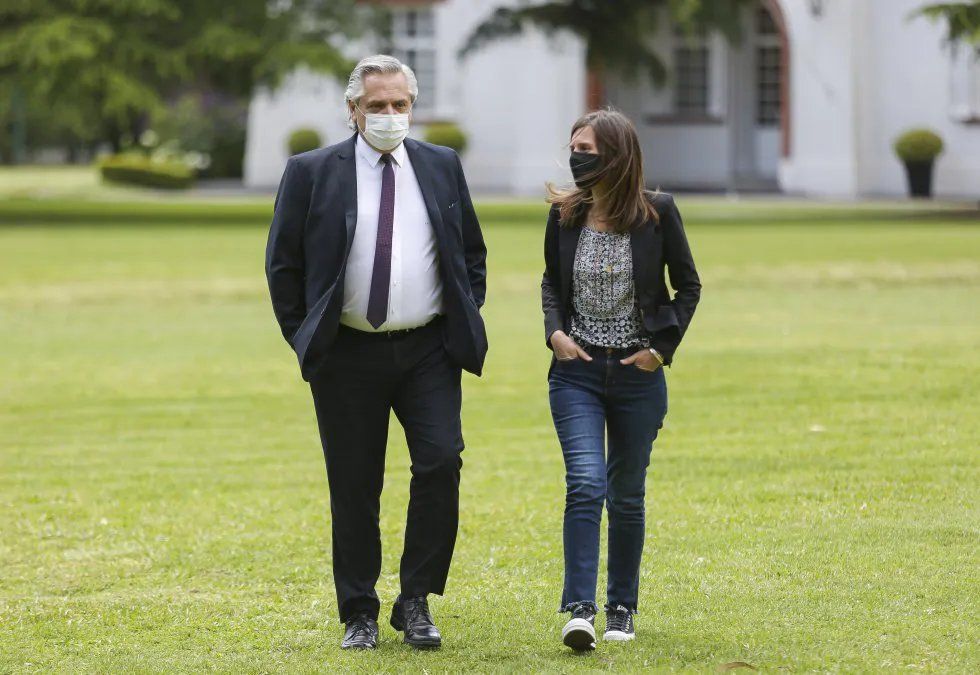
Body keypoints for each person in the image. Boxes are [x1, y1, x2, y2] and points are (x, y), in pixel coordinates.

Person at [265, 54, 488, 651]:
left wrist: (460, 314)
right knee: (355, 483)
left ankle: (415, 600)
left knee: (441, 463)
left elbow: (470, 252)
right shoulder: (313, 170)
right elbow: (284, 265)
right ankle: (358, 609)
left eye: (400, 105)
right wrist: (305, 335)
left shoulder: (441, 165)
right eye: (376, 106)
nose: (389, 115)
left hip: (428, 352)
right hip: (346, 356)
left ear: (412, 107)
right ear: (352, 111)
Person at [541, 109, 701, 651]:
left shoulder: (658, 213)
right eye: (573, 146)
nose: (576, 156)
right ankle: (579, 609)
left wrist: (661, 350)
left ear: (617, 154)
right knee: (585, 484)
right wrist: (555, 332)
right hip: (576, 375)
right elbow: (550, 283)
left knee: (627, 496)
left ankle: (621, 609)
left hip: (636, 375)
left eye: (587, 147)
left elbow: (688, 286)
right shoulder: (564, 213)